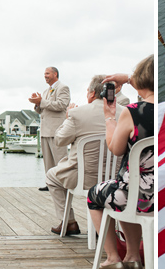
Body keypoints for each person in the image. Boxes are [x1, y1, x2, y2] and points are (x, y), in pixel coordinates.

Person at [87, 55, 154, 269]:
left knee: (98, 195)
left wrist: (109, 118)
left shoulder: (133, 112)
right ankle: (133, 256)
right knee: (121, 191)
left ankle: (114, 258)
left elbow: (115, 149)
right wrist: (127, 78)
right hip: (164, 192)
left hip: (139, 197)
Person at [46, 75, 108, 235]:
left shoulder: (77, 114)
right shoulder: (124, 112)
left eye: (88, 90)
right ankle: (102, 226)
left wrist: (68, 118)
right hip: (112, 178)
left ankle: (69, 222)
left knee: (51, 177)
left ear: (92, 93)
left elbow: (59, 140)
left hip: (83, 178)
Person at [30, 67, 70, 192]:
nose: (45, 76)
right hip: (45, 131)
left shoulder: (63, 88)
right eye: (44, 74)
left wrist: (41, 101)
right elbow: (41, 109)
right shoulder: (46, 91)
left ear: (55, 74)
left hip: (56, 130)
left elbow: (62, 105)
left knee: (60, 160)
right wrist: (37, 104)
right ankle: (50, 183)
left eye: (47, 73)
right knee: (47, 160)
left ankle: (63, 184)